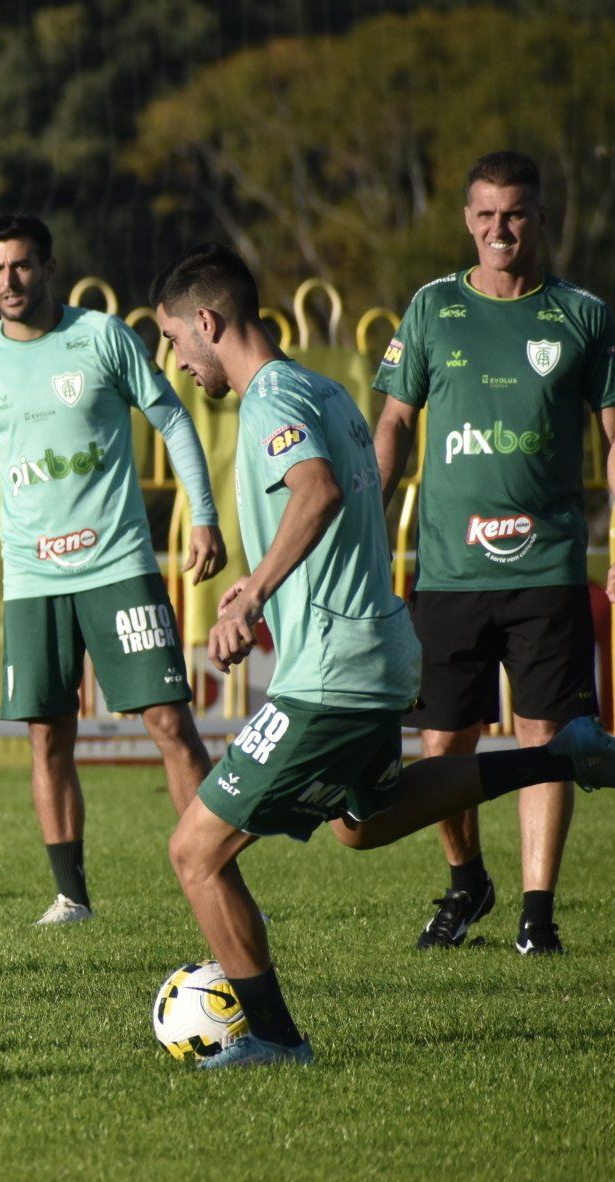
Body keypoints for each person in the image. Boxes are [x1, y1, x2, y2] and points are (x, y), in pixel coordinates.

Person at [151, 243, 615, 1069]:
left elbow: (318, 489)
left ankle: (275, 1040)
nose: (175, 360)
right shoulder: (327, 389)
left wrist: (255, 590)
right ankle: (555, 757)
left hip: (332, 668)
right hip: (380, 648)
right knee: (363, 823)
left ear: (208, 322)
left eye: (174, 339)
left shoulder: (271, 399)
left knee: (194, 852)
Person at [0, 214, 227, 924]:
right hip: (33, 579)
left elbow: (174, 420)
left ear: (49, 267)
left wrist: (206, 513)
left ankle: (219, 879)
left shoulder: (101, 337)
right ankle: (72, 897)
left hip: (119, 564)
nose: (9, 281)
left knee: (169, 722)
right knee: (46, 735)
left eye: (23, 266)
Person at [373, 151, 615, 955]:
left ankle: (538, 916)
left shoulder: (583, 315)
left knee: (546, 739)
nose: (499, 229)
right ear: (467, 221)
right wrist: (367, 525)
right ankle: (467, 880)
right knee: (443, 747)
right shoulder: (432, 308)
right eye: (484, 214)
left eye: (514, 213)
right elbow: (396, 425)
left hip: (546, 568)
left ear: (539, 219)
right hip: (448, 571)